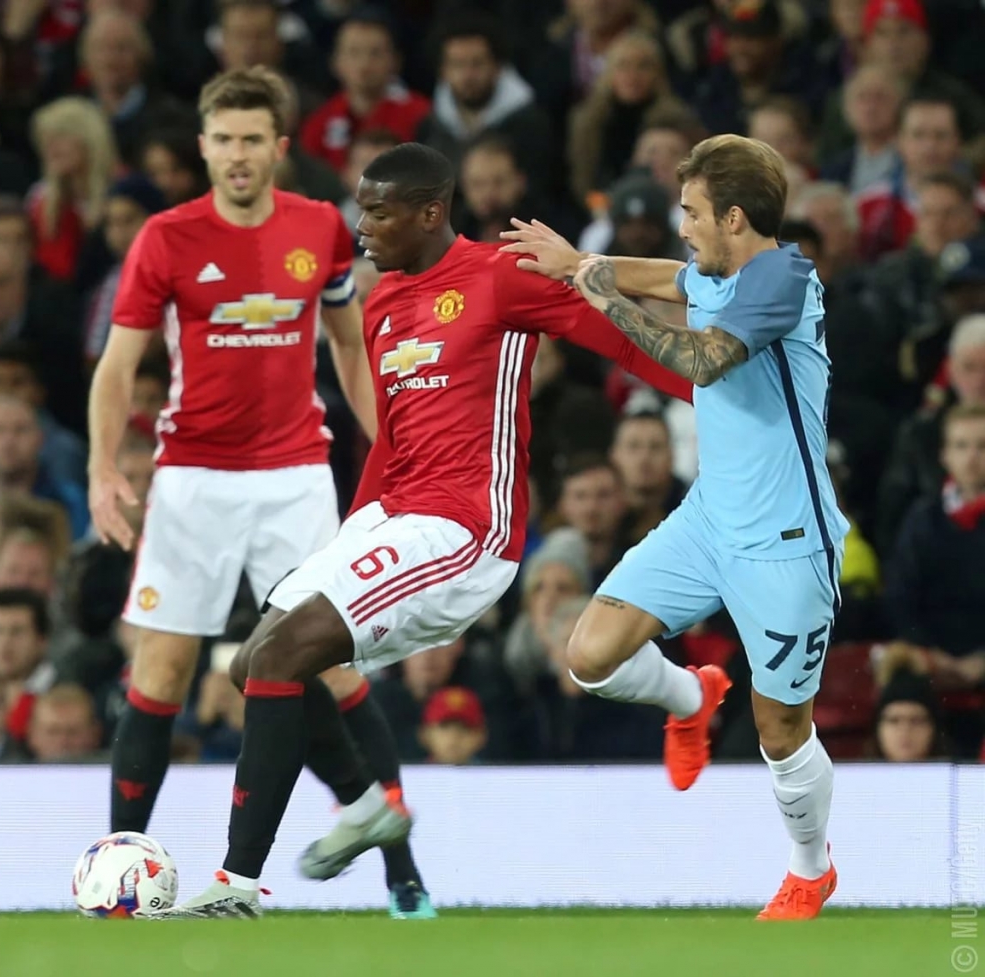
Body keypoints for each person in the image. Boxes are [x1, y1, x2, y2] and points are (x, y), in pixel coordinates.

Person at [160, 141, 693, 918]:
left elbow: (618, 340)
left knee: (281, 653)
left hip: (465, 528)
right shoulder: (381, 302)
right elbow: (392, 440)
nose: (361, 225)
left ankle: (238, 885)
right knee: (255, 664)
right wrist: (349, 543)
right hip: (393, 514)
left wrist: (719, 399)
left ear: (430, 211)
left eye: (378, 211)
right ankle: (368, 805)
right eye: (360, 207)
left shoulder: (502, 276)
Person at [87, 67, 431, 918]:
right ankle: (118, 875)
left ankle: (404, 877)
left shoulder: (320, 228)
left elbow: (351, 351)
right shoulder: (167, 238)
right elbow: (118, 365)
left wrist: (396, 447)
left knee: (338, 673)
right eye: (224, 140)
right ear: (203, 147)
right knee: (161, 673)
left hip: (292, 478)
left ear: (278, 148)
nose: (238, 156)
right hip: (193, 480)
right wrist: (104, 469)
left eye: (253, 140)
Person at [499, 134, 847, 921]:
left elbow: (702, 360)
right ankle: (691, 697)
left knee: (782, 729)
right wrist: (574, 262)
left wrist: (603, 296)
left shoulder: (783, 277)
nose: (680, 227)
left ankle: (808, 867)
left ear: (732, 216)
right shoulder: (724, 269)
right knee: (587, 655)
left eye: (690, 213)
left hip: (787, 544)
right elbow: (675, 277)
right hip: (707, 521)